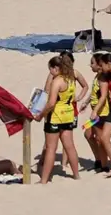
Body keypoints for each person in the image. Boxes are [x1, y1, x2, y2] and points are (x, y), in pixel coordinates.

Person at [38, 53, 85, 182]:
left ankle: (44, 179)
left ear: (56, 68)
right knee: (70, 146)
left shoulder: (57, 81)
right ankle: (76, 175)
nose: (50, 73)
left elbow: (51, 103)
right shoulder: (71, 77)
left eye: (51, 70)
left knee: (51, 148)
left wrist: (41, 115)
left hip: (56, 116)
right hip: (68, 114)